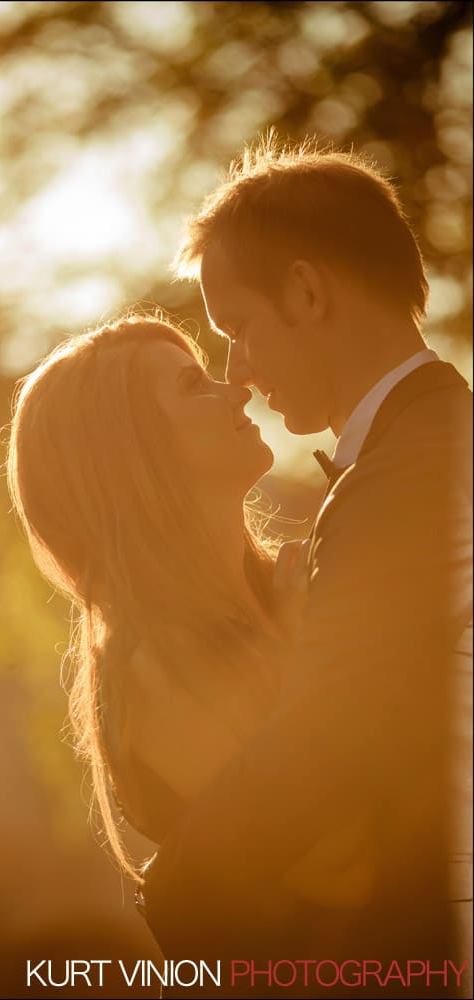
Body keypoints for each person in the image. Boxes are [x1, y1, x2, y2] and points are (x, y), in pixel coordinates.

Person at [139, 136, 472, 996]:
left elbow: (338, 735)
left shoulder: (413, 472)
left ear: (304, 289)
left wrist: (174, 889)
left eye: (237, 328)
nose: (237, 372)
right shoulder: (419, 449)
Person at [6, 314, 298, 886]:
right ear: (135, 454)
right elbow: (332, 864)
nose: (237, 390)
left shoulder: (295, 583)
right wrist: (300, 644)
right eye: (194, 385)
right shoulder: (152, 675)